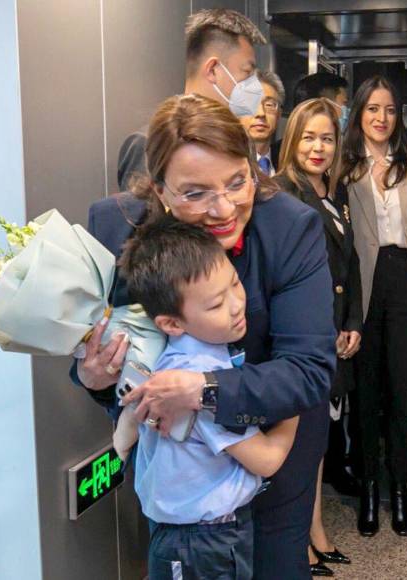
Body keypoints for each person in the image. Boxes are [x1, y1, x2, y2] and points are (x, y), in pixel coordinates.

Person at [75, 94, 335, 580]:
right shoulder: (115, 225)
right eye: (195, 193)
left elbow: (309, 371)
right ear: (160, 190)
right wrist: (95, 377)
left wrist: (202, 392)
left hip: (271, 463)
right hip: (178, 482)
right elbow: (105, 352)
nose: (223, 208)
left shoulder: (290, 228)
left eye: (238, 182)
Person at [118, 216, 299, 580]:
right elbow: (265, 460)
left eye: (235, 283)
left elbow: (122, 439)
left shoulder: (163, 359)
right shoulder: (200, 383)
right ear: (172, 322)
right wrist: (292, 408)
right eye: (216, 305)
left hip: (180, 534)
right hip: (207, 541)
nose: (236, 305)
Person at [342, 75, 407, 537]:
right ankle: (369, 487)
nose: (381, 118)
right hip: (362, 283)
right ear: (359, 115)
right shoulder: (341, 166)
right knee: (366, 392)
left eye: (389, 109)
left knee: (405, 389)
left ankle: (400, 487)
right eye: (372, 109)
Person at [275, 98, 361, 577]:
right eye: (309, 136)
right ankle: (300, 544)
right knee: (301, 443)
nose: (318, 146)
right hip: (304, 338)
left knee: (319, 442)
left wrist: (352, 324)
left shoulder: (334, 191)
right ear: (293, 139)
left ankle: (317, 531)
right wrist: (324, 330)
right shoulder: (281, 192)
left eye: (327, 138)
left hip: (334, 333)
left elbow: (348, 267)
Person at [116, 8, 266, 191]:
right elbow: (143, 217)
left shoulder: (240, 140)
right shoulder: (150, 143)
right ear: (213, 70)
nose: (254, 85)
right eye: (247, 72)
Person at [239, 70, 285, 176]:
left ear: (279, 114)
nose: (261, 113)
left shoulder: (288, 167)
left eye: (269, 105)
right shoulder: (223, 165)